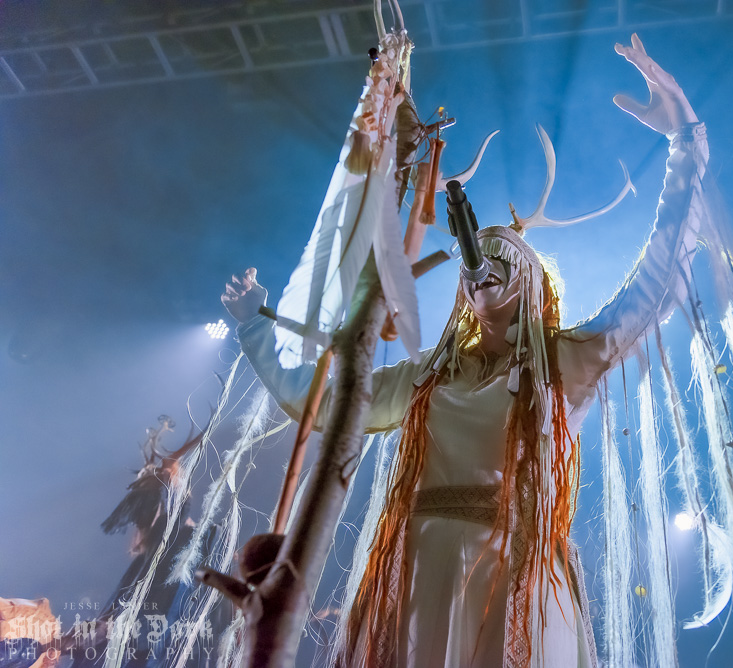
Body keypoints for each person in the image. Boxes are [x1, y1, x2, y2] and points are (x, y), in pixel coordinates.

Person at [222, 34, 706, 668]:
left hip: (510, 575)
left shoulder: (565, 364)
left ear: (534, 283)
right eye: (482, 255)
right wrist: (251, 325)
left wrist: (685, 145)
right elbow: (315, 400)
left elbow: (656, 286)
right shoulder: (431, 375)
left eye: (507, 258)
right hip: (419, 569)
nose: (487, 266)